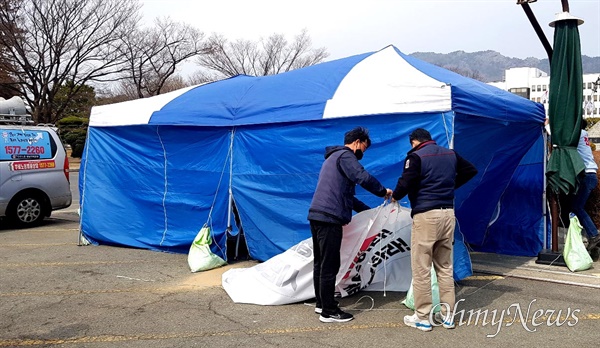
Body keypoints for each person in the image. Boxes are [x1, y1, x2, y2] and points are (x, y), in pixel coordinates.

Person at [391, 128, 477, 332]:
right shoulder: (450, 154)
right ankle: (448, 317)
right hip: (448, 213)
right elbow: (471, 170)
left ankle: (422, 317)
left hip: (426, 216)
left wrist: (395, 195)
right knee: (445, 268)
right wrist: (450, 186)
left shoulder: (416, 157)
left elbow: (405, 182)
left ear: (414, 142)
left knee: (421, 269)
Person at [308, 126, 392, 323]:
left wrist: (370, 213)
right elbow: (362, 177)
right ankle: (329, 311)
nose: (363, 153)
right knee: (330, 264)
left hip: (317, 215)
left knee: (321, 263)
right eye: (364, 147)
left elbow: (349, 198)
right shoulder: (346, 156)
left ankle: (321, 304)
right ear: (357, 143)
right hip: (329, 218)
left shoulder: (332, 158)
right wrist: (383, 192)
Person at [573, 119, 600, 252]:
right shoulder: (583, 134)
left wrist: (547, 126)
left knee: (577, 207)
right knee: (581, 207)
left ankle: (594, 234)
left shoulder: (577, 134)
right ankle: (592, 238)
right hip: (591, 175)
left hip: (587, 176)